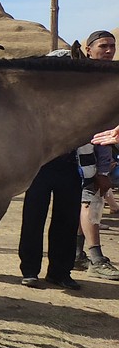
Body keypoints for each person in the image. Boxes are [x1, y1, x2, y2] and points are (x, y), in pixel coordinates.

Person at [17, 51, 82, 291]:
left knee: (67, 220)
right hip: (40, 166)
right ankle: (30, 270)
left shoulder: (78, 99)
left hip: (69, 165)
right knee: (33, 218)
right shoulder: (35, 99)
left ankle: (60, 272)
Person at [75, 30, 118, 280]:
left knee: (87, 201)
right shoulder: (81, 79)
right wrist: (102, 170)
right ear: (89, 50)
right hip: (81, 153)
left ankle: (78, 254)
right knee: (90, 201)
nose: (110, 50)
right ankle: (96, 257)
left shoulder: (110, 78)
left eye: (112, 46)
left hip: (100, 151)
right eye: (103, 46)